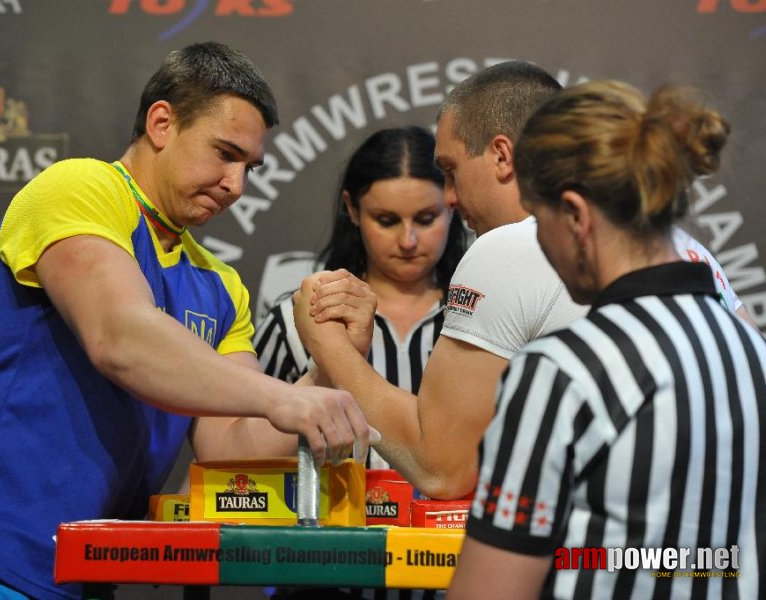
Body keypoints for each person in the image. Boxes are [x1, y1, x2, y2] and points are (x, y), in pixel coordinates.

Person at [0, 42, 374, 600]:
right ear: (162, 122)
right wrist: (281, 398)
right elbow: (119, 336)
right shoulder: (79, 189)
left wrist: (326, 370)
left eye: (249, 167)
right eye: (224, 154)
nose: (237, 184)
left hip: (81, 577)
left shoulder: (219, 284)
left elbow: (229, 448)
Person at [292, 61, 755, 501]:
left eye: (450, 171)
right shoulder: (692, 250)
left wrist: (329, 346)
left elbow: (440, 467)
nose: (449, 198)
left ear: (501, 155)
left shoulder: (508, 245)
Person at [449, 80, 764, 599]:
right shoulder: (751, 353)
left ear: (574, 216)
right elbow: (716, 559)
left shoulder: (562, 371)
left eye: (537, 220)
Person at [254, 126, 468, 469]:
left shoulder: (482, 317)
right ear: (352, 209)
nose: (408, 240)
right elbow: (243, 450)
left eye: (427, 219)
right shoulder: (297, 319)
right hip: (329, 519)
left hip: (450, 522)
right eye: (386, 220)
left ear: (453, 204)